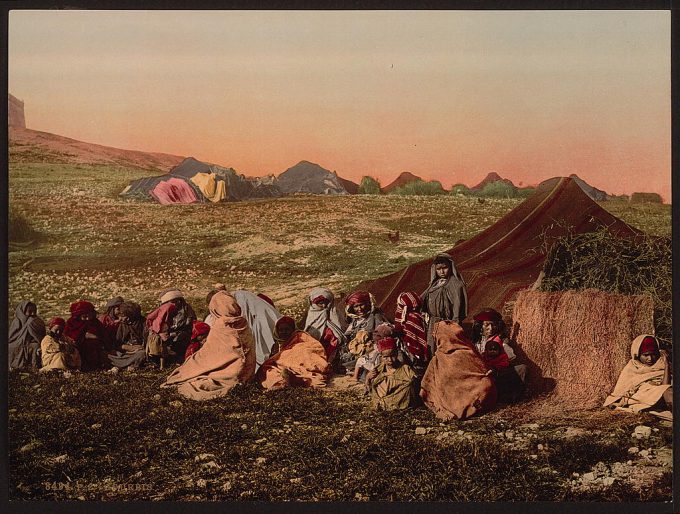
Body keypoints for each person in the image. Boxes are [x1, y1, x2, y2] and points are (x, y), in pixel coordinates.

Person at [162, 291, 256, 401]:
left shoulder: (221, 325)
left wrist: (191, 364)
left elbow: (209, 354)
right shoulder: (243, 323)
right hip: (247, 374)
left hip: (229, 374)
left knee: (190, 370)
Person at [419, 321, 497, 421]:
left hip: (460, 395)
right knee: (487, 384)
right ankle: (469, 408)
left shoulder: (464, 352)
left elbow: (426, 383)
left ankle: (464, 408)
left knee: (486, 384)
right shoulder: (439, 357)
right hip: (454, 395)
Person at [604, 334, 672, 415]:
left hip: (661, 397)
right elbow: (621, 390)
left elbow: (665, 386)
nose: (650, 358)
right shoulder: (632, 368)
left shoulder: (661, 363)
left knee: (669, 391)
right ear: (637, 354)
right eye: (645, 355)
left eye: (653, 354)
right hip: (642, 397)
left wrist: (667, 365)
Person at [257, 316, 331, 390]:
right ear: (277, 331)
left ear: (292, 330)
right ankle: (282, 382)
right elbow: (275, 359)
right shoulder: (276, 345)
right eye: (281, 330)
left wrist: (300, 351)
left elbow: (315, 346)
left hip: (303, 363)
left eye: (287, 329)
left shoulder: (300, 336)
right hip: (284, 366)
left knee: (305, 372)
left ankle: (294, 377)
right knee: (267, 369)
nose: (284, 332)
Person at [471, 308, 527, 401]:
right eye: (487, 325)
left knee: (522, 368)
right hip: (479, 375)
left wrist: (497, 367)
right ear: (480, 326)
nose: (491, 328)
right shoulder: (475, 342)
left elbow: (509, 359)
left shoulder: (500, 341)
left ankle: (508, 396)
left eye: (493, 325)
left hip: (497, 374)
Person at [421, 253, 468, 355]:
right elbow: (422, 298)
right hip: (433, 322)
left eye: (445, 268)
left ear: (450, 267)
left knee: (447, 349)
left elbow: (457, 305)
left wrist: (454, 324)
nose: (442, 271)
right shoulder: (434, 284)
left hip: (447, 323)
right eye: (438, 269)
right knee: (432, 348)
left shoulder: (456, 284)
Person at [340, 291, 387, 373]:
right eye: (356, 306)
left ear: (367, 304)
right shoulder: (355, 319)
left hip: (371, 347)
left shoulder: (375, 316)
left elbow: (380, 333)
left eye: (362, 305)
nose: (359, 309)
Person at [366, 337, 419, 411]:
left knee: (408, 385)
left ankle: (390, 404)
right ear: (381, 357)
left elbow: (415, 386)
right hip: (382, 399)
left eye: (392, 356)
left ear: (397, 354)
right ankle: (385, 403)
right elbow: (369, 388)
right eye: (386, 357)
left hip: (400, 399)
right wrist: (368, 377)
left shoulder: (405, 368)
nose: (390, 360)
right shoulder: (378, 369)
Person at [303, 287, 347, 364]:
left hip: (332, 347)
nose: (324, 306)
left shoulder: (334, 312)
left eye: (325, 303)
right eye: (320, 303)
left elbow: (341, 327)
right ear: (313, 304)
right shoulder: (312, 315)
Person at [63, 300, 110, 371]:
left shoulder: (95, 323)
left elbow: (104, 337)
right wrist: (83, 337)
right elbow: (68, 338)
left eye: (89, 316)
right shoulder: (71, 324)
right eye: (84, 316)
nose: (87, 319)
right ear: (78, 316)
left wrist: (95, 337)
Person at [393, 291, 429, 373]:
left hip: (412, 349)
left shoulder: (412, 318)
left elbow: (416, 336)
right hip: (406, 347)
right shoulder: (416, 316)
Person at [158, 288, 196, 363]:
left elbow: (190, 325)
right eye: (171, 302)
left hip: (183, 334)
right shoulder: (164, 310)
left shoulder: (187, 309)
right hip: (167, 334)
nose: (174, 304)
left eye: (176, 301)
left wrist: (176, 333)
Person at [108, 301, 147, 371]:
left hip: (137, 352)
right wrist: (127, 347)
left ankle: (121, 365)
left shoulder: (143, 323)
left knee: (142, 354)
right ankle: (128, 365)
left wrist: (139, 348)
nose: (121, 319)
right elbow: (117, 344)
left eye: (123, 316)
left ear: (130, 316)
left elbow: (146, 343)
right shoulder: (123, 325)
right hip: (125, 353)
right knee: (105, 355)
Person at [8, 300, 46, 370]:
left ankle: (34, 368)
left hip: (31, 343)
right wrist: (21, 341)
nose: (32, 314)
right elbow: (11, 337)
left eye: (34, 311)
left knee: (35, 346)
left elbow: (40, 336)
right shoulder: (17, 321)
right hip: (17, 343)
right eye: (30, 311)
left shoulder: (34, 321)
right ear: (23, 311)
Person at [145, 300, 178, 369]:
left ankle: (157, 365)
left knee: (154, 352)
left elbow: (149, 317)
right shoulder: (163, 323)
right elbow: (164, 335)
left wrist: (151, 327)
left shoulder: (158, 318)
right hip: (158, 339)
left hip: (154, 337)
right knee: (161, 353)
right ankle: (161, 366)